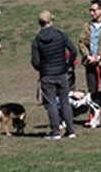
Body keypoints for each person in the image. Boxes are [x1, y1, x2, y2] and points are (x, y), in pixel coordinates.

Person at [30, 10, 77, 139]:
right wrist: (68, 65)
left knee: (51, 103)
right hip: (62, 73)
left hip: (47, 74)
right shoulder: (60, 35)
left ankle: (55, 131)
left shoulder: (37, 40)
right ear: (51, 21)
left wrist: (43, 69)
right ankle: (71, 130)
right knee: (65, 101)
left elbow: (35, 61)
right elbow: (73, 51)